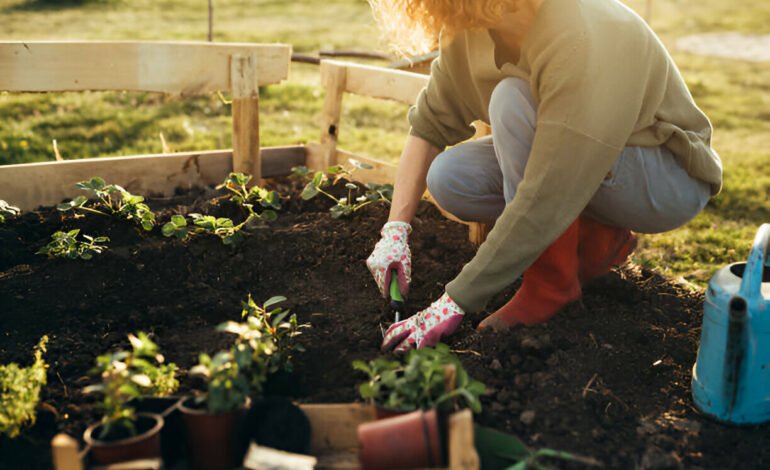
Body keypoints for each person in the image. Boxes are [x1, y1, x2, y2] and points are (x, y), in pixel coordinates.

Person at [365, 0, 723, 352]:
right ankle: (593, 237)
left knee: (510, 100)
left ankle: (551, 286)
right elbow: (429, 125)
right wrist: (395, 232)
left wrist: (455, 301)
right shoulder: (469, 30)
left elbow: (547, 191)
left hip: (663, 175)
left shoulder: (579, 32)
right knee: (450, 176)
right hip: (580, 156)